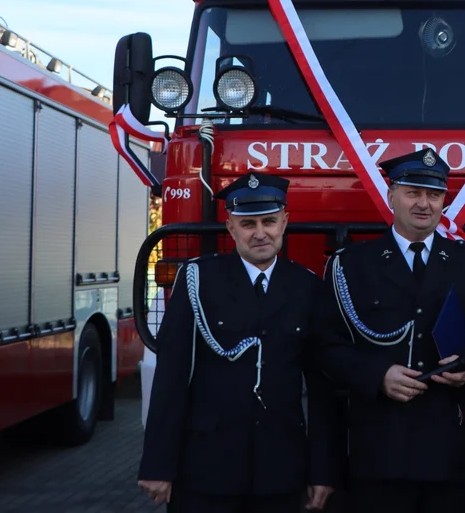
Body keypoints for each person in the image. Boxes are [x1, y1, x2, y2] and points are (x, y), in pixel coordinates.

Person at [313, 148, 465, 513]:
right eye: (413, 192)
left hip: (449, 447)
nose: (424, 204)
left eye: (434, 195)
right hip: (380, 447)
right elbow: (326, 346)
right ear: (391, 196)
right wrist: (377, 375)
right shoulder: (351, 265)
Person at [137, 172, 341, 512]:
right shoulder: (198, 280)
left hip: (281, 471)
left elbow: (321, 390)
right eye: (248, 224)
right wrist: (157, 464)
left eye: (269, 222)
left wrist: (323, 469)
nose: (260, 233)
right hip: (205, 470)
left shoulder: (307, 287)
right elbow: (171, 379)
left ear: (284, 222)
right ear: (231, 228)